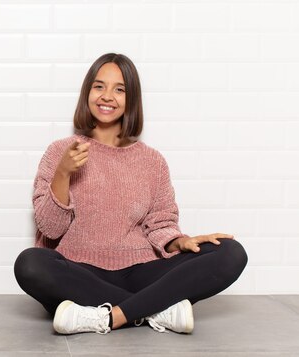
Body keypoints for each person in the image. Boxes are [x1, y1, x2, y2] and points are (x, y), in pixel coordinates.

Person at [14, 53, 248, 335]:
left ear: (131, 99)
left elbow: (161, 225)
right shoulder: (60, 152)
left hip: (141, 272)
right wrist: (63, 173)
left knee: (231, 253)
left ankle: (108, 316)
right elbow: (50, 228)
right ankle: (154, 310)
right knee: (30, 264)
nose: (107, 96)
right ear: (87, 92)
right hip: (80, 273)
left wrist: (181, 242)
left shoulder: (152, 161)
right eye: (99, 86)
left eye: (119, 89)